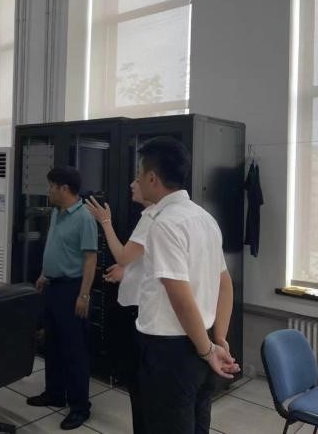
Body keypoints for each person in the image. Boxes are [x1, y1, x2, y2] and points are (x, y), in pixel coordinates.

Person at [134, 136, 239, 434]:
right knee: (197, 422)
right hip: (201, 341)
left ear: (152, 178)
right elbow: (225, 283)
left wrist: (207, 350)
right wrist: (218, 339)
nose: (136, 180)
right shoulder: (205, 218)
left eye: (140, 173)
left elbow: (180, 297)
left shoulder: (165, 224)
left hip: (170, 351)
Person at [27, 166, 98, 431]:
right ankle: (55, 394)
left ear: (64, 189)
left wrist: (84, 295)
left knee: (74, 351)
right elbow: (56, 246)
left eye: (51, 187)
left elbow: (90, 258)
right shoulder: (58, 212)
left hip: (73, 289)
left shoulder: (84, 218)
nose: (49, 191)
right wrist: (44, 273)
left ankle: (80, 408)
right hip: (53, 287)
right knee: (53, 344)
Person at [84, 180, 153, 434]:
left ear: (154, 180)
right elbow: (148, 260)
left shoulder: (153, 218)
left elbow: (124, 254)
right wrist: (128, 270)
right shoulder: (154, 217)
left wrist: (105, 222)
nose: (132, 184)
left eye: (139, 177)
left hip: (142, 312)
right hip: (141, 308)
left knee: (141, 387)